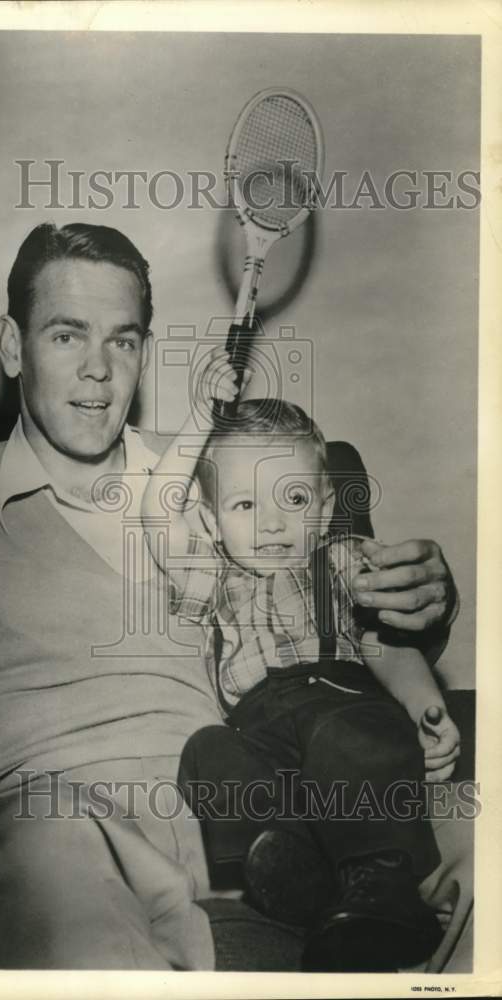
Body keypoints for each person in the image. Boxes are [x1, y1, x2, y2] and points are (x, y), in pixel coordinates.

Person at [0, 222, 458, 970]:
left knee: (473, 829)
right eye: (67, 336)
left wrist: (424, 601)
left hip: (241, 815)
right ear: (13, 347)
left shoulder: (219, 480)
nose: (99, 372)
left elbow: (325, 603)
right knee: (56, 851)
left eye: (124, 340)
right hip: (56, 822)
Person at [140, 346, 461, 971]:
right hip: (259, 730)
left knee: (349, 737)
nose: (270, 524)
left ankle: (382, 884)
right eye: (244, 505)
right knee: (206, 751)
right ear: (210, 520)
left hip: (338, 701)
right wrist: (203, 416)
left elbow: (386, 642)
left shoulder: (340, 559)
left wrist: (426, 705)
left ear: (321, 508)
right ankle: (299, 869)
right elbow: (159, 511)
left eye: (292, 499)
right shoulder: (210, 574)